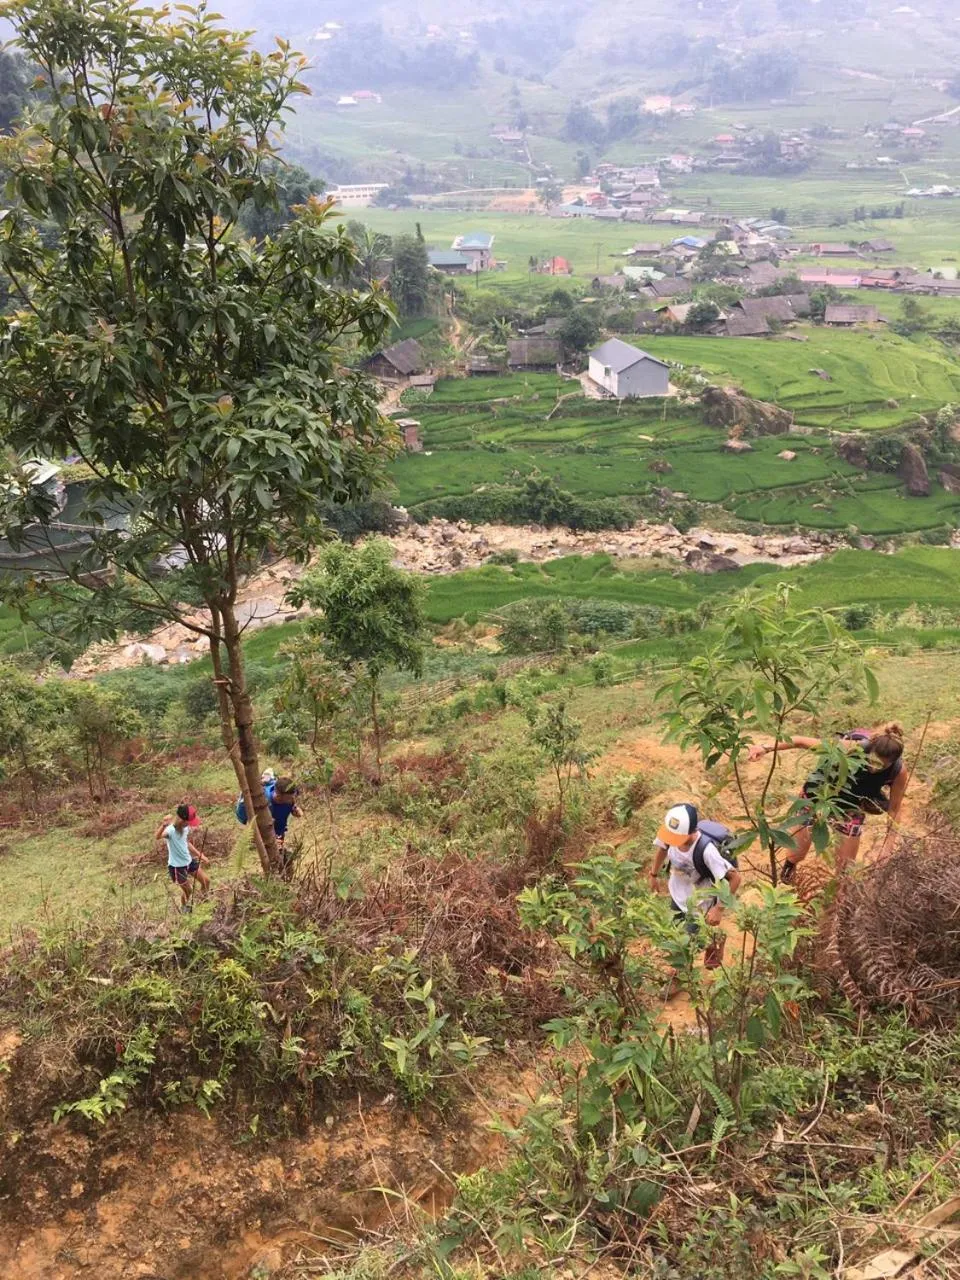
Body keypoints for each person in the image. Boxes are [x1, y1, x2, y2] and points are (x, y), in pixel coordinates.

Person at [748, 722, 907, 883]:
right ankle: (788, 875)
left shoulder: (898, 772)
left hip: (851, 807)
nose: (873, 767)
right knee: (797, 852)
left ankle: (837, 896)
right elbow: (799, 741)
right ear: (869, 750)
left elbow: (895, 809)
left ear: (892, 762)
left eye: (880, 765)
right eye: (871, 760)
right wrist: (765, 748)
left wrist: (887, 848)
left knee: (845, 869)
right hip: (817, 797)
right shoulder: (850, 748)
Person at [648, 803, 742, 973]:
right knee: (676, 934)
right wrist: (653, 875)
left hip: (700, 902)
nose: (672, 840)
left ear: (691, 832)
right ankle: (713, 939)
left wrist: (719, 909)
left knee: (686, 944)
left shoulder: (706, 850)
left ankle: (681, 976)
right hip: (678, 895)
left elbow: (735, 878)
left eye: (676, 838)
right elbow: (662, 848)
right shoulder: (671, 833)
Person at [156, 803, 210, 911]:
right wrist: (163, 826)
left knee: (206, 881)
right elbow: (157, 837)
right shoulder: (170, 830)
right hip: (177, 867)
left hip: (188, 861)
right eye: (188, 822)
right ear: (182, 820)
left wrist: (201, 855)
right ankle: (184, 908)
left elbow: (186, 843)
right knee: (188, 891)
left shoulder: (185, 828)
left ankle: (203, 903)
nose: (189, 825)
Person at [269, 777, 303, 852]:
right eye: (289, 798)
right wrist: (272, 840)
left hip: (280, 833)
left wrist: (296, 811)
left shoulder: (290, 796)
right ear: (278, 796)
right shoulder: (266, 804)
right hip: (268, 837)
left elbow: (294, 808)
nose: (292, 800)